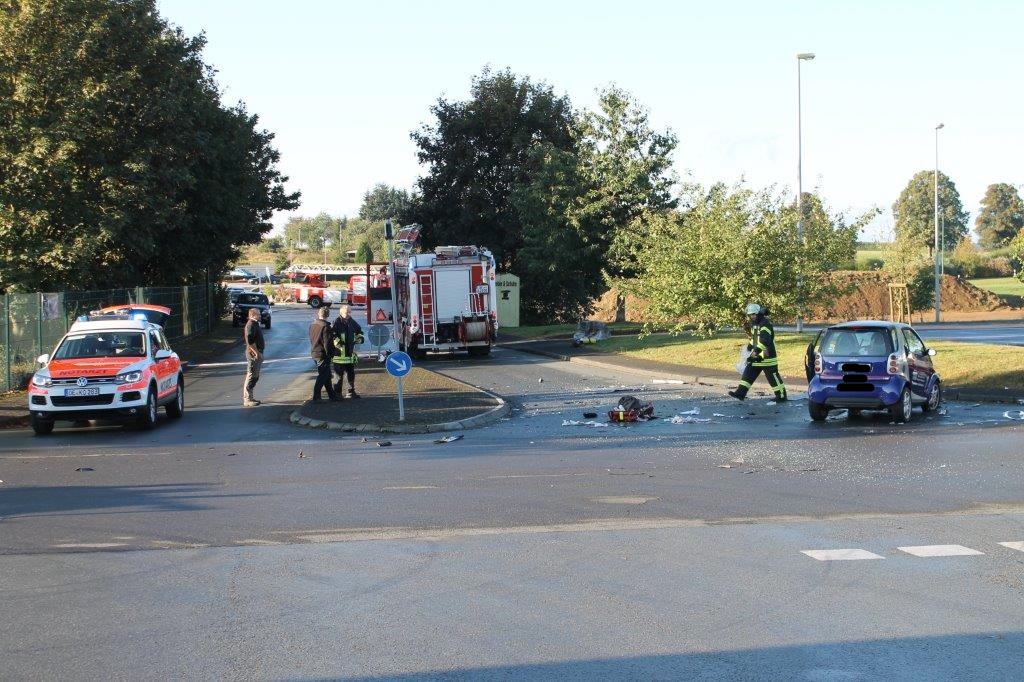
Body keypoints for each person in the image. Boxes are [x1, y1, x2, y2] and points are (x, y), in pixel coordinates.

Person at [728, 303, 787, 402]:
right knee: (748, 374)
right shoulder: (755, 325)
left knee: (773, 378)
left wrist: (755, 352)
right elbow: (755, 339)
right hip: (757, 356)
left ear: (759, 313)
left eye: (754, 314)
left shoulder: (765, 324)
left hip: (767, 357)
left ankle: (781, 396)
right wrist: (749, 348)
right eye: (750, 315)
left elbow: (765, 340)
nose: (752, 316)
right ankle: (740, 393)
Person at [330, 304, 363, 398]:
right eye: (346, 313)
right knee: (338, 376)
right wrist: (338, 343)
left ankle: (351, 392)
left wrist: (360, 338)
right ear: (341, 313)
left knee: (351, 374)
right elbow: (332, 335)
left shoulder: (352, 322)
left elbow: (359, 331)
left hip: (349, 355)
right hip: (339, 355)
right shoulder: (336, 322)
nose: (348, 314)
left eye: (349, 312)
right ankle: (337, 394)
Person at [309, 306, 340, 401]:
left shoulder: (313, 324)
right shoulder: (325, 327)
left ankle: (332, 395)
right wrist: (331, 354)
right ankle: (316, 396)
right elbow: (327, 343)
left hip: (315, 351)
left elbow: (311, 338)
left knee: (326, 375)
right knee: (323, 375)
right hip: (322, 354)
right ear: (328, 315)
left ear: (319, 313)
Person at [242, 308, 265, 407]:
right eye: (258, 314)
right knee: (251, 376)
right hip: (253, 354)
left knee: (255, 376)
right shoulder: (250, 325)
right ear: (253, 315)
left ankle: (250, 397)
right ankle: (247, 399)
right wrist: (257, 353)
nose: (260, 316)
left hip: (257, 353)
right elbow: (250, 342)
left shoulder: (255, 324)